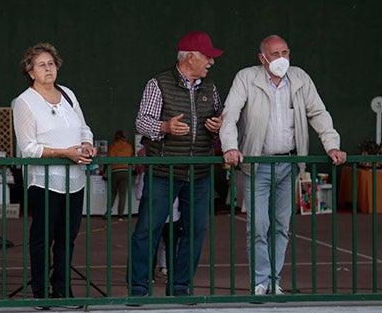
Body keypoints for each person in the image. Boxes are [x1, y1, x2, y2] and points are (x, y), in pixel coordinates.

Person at [219, 34, 346, 296]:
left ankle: (274, 281)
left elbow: (318, 113)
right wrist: (230, 146)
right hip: (256, 164)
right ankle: (260, 282)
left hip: (289, 165)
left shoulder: (300, 78)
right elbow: (230, 114)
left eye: (285, 53)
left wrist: (331, 144)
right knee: (258, 226)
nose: (281, 59)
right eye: (275, 54)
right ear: (261, 58)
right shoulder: (246, 78)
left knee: (280, 226)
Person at [130, 31, 224, 298]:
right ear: (190, 57)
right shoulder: (158, 83)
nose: (211, 62)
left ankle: (180, 287)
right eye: (207, 56)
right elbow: (142, 122)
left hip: (200, 173)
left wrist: (218, 126)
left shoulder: (210, 87)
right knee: (148, 229)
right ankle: (138, 288)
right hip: (164, 171)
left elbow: (219, 118)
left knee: (196, 231)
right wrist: (165, 126)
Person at [12, 42, 95, 307]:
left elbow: (84, 127)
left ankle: (62, 289)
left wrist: (87, 144)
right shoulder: (24, 102)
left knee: (67, 238)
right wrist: (64, 153)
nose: (48, 68)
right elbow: (27, 148)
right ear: (31, 72)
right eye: (41, 65)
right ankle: (40, 291)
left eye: (51, 63)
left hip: (75, 180)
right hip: (44, 182)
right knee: (42, 238)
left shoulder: (68, 94)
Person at [106, 130, 134, 220]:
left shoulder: (112, 146)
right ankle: (120, 215)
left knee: (112, 193)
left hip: (114, 170)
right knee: (122, 194)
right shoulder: (129, 146)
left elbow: (109, 159)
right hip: (126, 170)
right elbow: (131, 157)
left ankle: (108, 213)